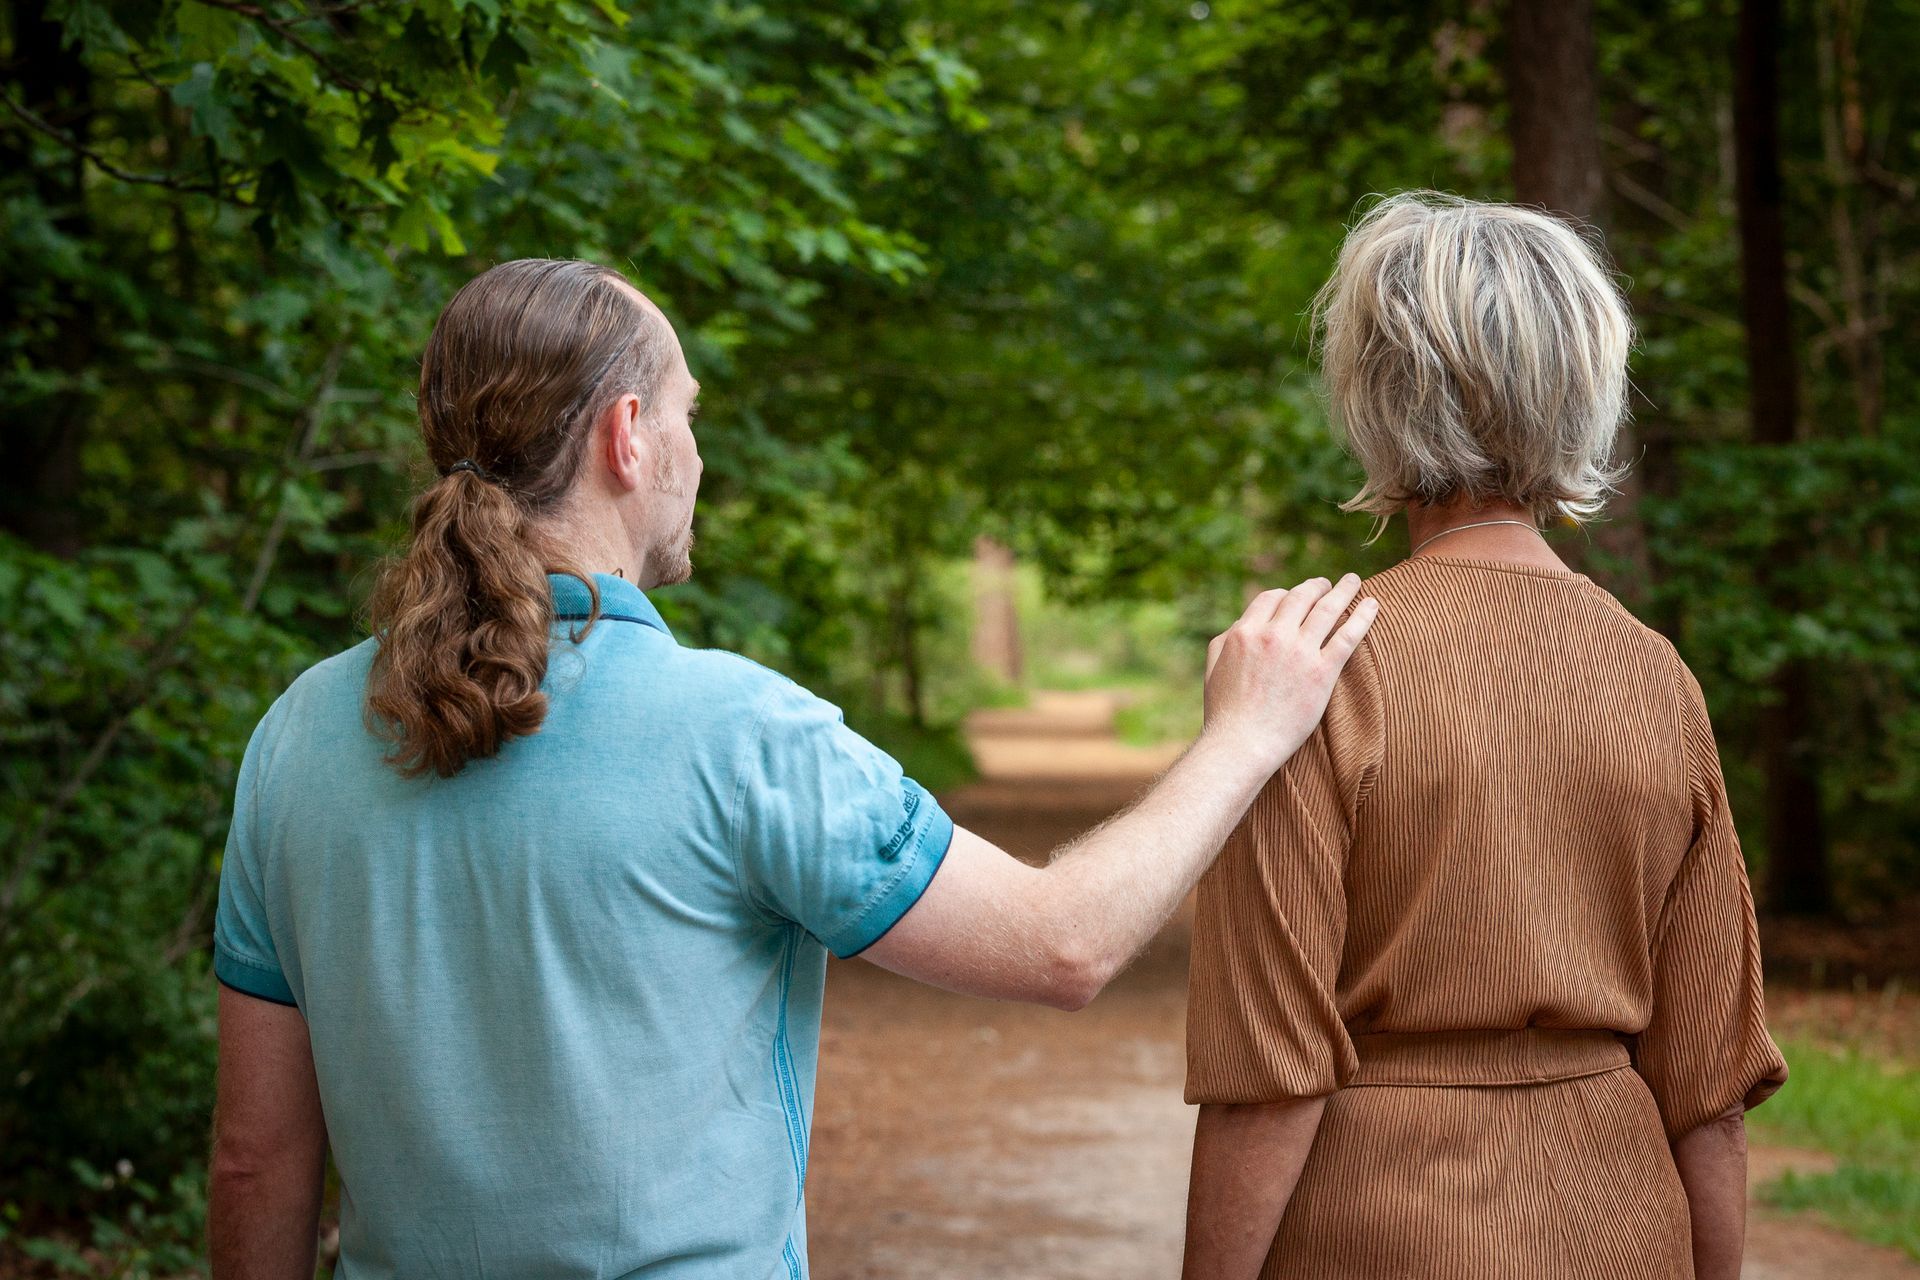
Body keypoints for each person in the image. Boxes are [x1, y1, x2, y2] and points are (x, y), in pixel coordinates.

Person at [207, 257, 1378, 1279]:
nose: (697, 451)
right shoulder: (738, 733)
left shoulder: (300, 734)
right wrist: (1245, 732)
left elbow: (258, 1157)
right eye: (688, 413)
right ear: (628, 435)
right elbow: (1062, 943)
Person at [1181, 193, 1788, 1280]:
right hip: (1622, 1223)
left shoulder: (1308, 672)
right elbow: (1709, 1084)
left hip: (1372, 1230)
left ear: (1373, 392)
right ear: (1583, 392)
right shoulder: (1657, 676)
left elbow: (1264, 1076)